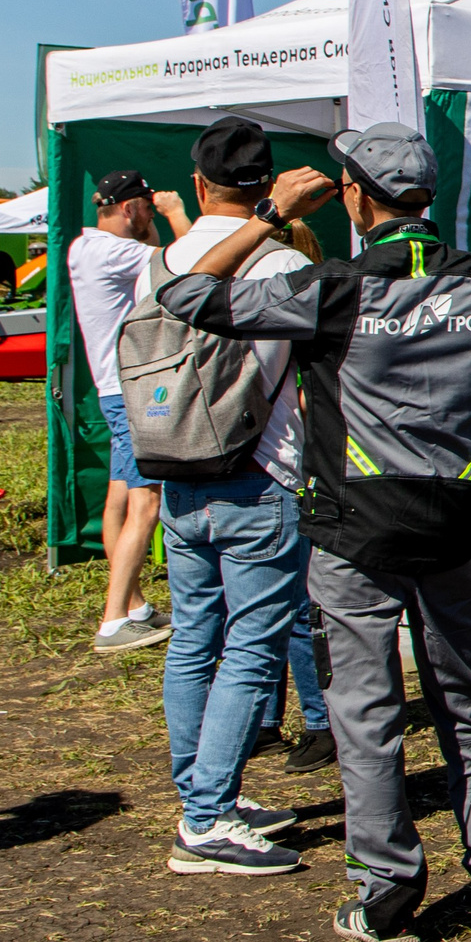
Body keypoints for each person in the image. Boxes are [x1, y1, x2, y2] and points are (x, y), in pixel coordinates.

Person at [156, 120, 471, 942]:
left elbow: (186, 295)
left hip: (353, 532)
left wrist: (268, 216)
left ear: (356, 198)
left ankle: (387, 893)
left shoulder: (329, 287)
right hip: (454, 523)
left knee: (367, 712)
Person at [133, 122, 318, 878]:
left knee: (193, 638)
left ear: (199, 184)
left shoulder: (164, 261)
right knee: (252, 646)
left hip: (177, 468)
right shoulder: (285, 262)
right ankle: (207, 818)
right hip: (260, 471)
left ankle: (206, 796)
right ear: (267, 183)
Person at [67, 169, 185, 652]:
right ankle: (114, 619)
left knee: (119, 495)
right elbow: (190, 261)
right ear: (131, 208)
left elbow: (151, 256)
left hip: (111, 389)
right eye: (145, 208)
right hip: (132, 392)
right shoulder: (116, 252)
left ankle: (132, 605)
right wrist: (174, 214)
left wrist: (148, 222)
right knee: (147, 502)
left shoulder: (86, 247)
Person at [255, 218, 336, 776]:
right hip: (292, 465)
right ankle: (274, 718)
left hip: (295, 468)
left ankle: (319, 721)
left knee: (295, 608)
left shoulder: (300, 307)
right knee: (279, 608)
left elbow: (314, 396)